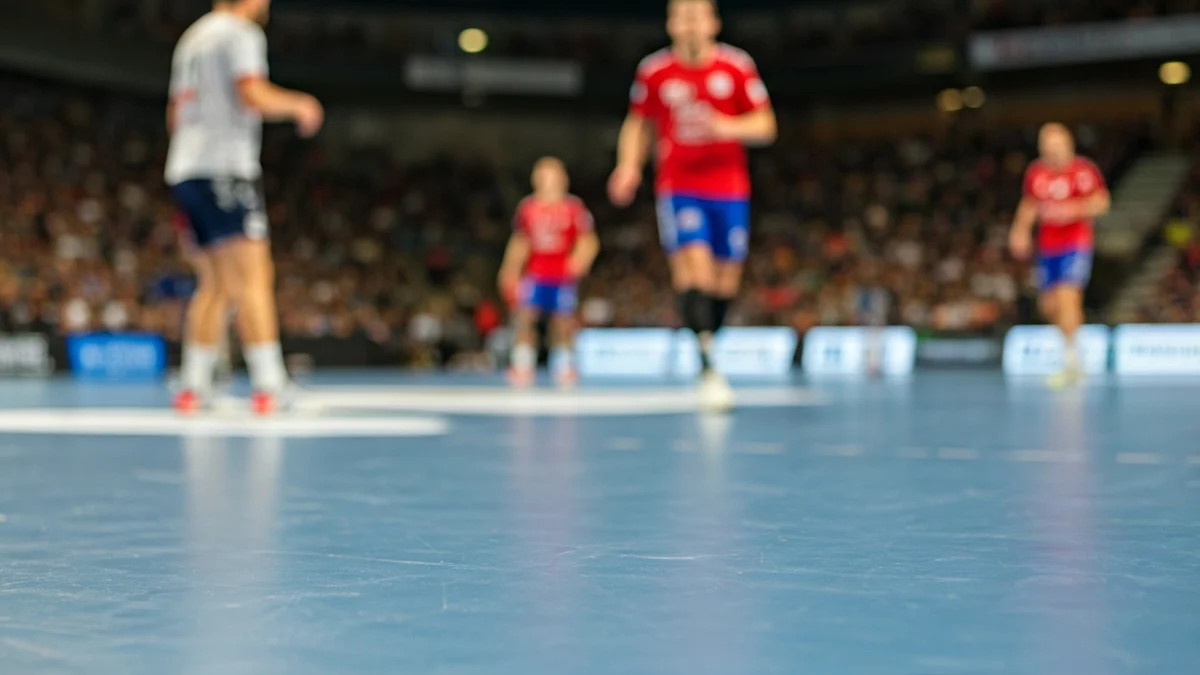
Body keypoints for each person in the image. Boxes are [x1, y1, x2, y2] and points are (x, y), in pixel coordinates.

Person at [608, 0, 776, 411]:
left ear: (714, 23)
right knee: (694, 267)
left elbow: (766, 125)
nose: (689, 24)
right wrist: (628, 166)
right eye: (681, 16)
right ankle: (708, 368)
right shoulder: (654, 72)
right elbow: (638, 122)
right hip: (680, 186)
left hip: (730, 188)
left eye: (697, 15)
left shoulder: (736, 66)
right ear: (669, 24)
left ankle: (707, 346)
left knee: (724, 283)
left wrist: (727, 125)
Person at [165, 0, 323, 414]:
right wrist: (299, 105)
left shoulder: (193, 36)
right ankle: (271, 386)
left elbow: (174, 113)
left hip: (186, 169)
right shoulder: (240, 34)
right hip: (225, 169)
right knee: (253, 277)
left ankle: (193, 387)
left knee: (214, 283)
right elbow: (251, 91)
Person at [1009, 123, 1110, 386]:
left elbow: (1102, 202)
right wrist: (1019, 230)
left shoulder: (1083, 170)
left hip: (1075, 244)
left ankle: (1072, 363)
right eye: (1045, 143)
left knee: (1068, 298)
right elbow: (1030, 204)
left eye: (1054, 143)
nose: (1049, 149)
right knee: (1048, 306)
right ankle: (1072, 343)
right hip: (1047, 247)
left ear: (1067, 143)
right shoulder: (1036, 172)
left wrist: (1073, 210)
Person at [498, 157, 600, 388]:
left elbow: (588, 241)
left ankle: (563, 365)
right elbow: (520, 241)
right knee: (525, 317)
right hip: (535, 274)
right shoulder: (528, 208)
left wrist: (578, 262)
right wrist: (510, 269)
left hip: (562, 276)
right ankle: (523, 363)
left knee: (562, 322)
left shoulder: (573, 208)